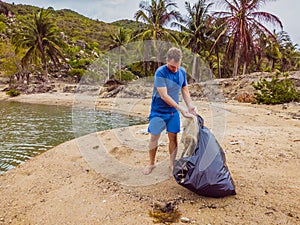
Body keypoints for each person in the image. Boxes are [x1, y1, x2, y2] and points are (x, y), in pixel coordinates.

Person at [143, 47, 197, 175]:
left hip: (173, 112)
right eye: (172, 67)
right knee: (154, 137)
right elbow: (164, 96)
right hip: (158, 111)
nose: (174, 69)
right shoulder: (160, 73)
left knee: (173, 137)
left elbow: (185, 90)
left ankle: (172, 164)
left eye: (177, 66)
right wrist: (181, 109)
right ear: (167, 60)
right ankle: (151, 163)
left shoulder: (182, 72)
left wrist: (190, 105)